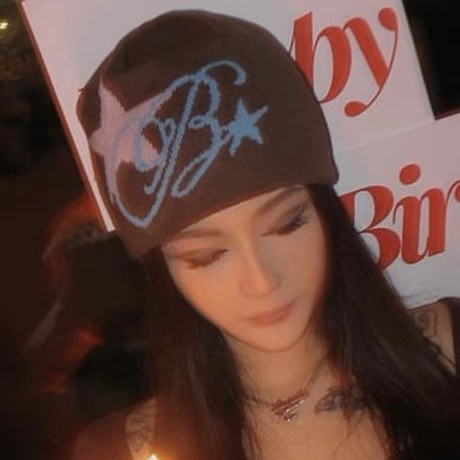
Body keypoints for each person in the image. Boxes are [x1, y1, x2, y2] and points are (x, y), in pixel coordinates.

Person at [71, 10, 460, 460]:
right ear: (163, 265)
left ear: (324, 212)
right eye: (205, 256)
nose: (261, 281)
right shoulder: (121, 451)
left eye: (287, 223)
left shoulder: (447, 351)